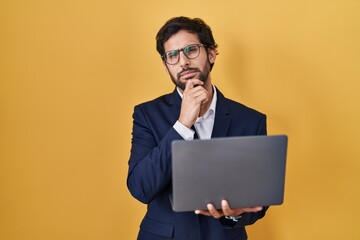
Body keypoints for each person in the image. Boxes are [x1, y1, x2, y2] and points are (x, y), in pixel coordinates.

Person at [127, 16, 268, 240]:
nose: (183, 61)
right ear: (166, 66)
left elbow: (258, 199)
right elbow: (141, 188)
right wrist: (182, 125)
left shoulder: (251, 120)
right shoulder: (147, 115)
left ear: (211, 54)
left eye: (191, 50)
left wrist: (235, 214)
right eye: (172, 55)